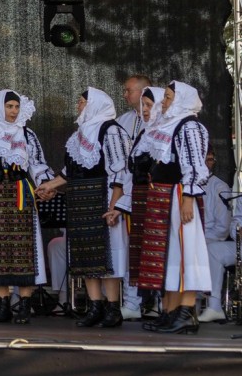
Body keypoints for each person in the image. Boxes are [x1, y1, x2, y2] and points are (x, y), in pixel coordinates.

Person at [0, 90, 60, 324]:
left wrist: (46, 185)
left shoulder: (27, 134)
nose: (13, 111)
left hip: (21, 194)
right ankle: (2, 305)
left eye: (17, 107)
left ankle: (25, 305)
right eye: (9, 106)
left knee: (23, 249)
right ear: (0, 107)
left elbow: (37, 165)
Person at [137, 81, 211, 334]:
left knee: (187, 253)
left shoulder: (190, 126)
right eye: (166, 97)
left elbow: (195, 165)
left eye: (169, 97)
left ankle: (187, 311)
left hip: (180, 194)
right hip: (166, 196)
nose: (165, 102)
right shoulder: (171, 124)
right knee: (172, 255)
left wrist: (188, 197)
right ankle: (171, 312)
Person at [62, 87, 130, 328]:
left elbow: (121, 171)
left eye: (82, 102)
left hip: (104, 197)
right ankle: (95, 306)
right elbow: (70, 171)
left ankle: (112, 308)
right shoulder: (80, 134)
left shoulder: (111, 130)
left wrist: (114, 205)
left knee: (108, 255)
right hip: (82, 201)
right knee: (86, 255)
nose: (78, 106)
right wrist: (49, 185)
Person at [114, 73, 152, 319]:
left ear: (144, 91)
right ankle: (132, 302)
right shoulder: (122, 121)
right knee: (132, 248)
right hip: (129, 193)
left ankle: (160, 304)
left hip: (153, 193)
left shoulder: (161, 122)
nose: (125, 95)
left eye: (129, 90)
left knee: (154, 249)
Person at [200, 150, 237, 323]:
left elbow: (222, 228)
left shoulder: (220, 187)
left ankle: (207, 303)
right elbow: (234, 223)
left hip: (211, 237)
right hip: (234, 245)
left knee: (207, 249)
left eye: (211, 160)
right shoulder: (184, 185)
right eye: (205, 159)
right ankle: (181, 304)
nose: (208, 163)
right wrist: (238, 230)